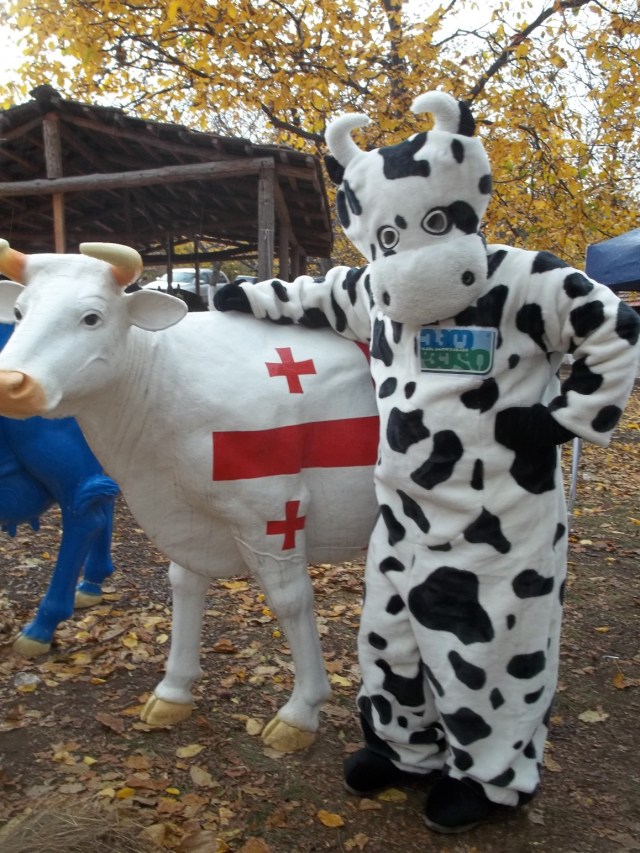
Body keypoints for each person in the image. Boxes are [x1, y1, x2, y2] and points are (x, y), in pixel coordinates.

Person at [214, 91, 640, 833]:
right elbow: (308, 295)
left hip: (502, 522)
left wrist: (560, 421)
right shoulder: (374, 294)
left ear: (463, 203)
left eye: (432, 223)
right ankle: (405, 748)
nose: (410, 251)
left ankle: (493, 773)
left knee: (490, 645)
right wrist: (241, 294)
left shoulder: (521, 280)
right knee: (390, 639)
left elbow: (614, 325)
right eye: (388, 236)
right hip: (405, 518)